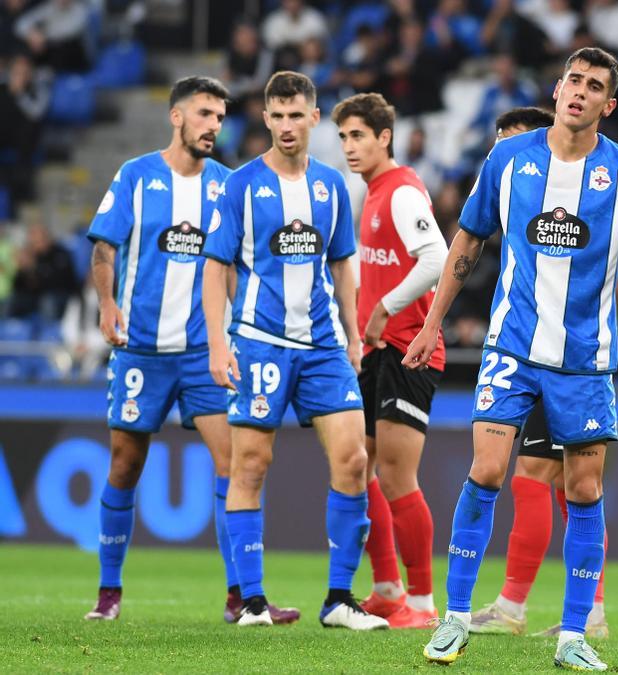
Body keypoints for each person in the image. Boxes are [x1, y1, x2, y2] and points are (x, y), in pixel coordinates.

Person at [405, 48, 618, 672]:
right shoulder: (509, 157)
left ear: (608, 106)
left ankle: (574, 634)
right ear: (558, 89)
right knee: (487, 467)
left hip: (585, 361)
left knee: (584, 488)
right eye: (573, 81)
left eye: (594, 87)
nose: (579, 93)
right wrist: (431, 320)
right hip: (512, 346)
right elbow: (469, 239)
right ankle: (454, 619)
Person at [83, 76, 299, 625]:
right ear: (176, 117)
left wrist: (236, 337)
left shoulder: (228, 185)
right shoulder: (136, 175)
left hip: (206, 353)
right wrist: (107, 306)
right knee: (125, 465)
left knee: (236, 463)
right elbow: (104, 246)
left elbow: (233, 267)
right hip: (142, 350)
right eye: (204, 114)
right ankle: (109, 591)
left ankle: (242, 594)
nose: (214, 126)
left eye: (221, 117)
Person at [200, 71, 385, 630]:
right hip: (258, 342)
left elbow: (343, 265)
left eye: (294, 115)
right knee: (251, 464)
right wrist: (217, 343)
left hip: (325, 346)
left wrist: (354, 335)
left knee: (353, 460)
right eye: (275, 116)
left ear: (313, 117)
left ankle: (339, 600)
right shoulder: (240, 184)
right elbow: (215, 267)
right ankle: (253, 602)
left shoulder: (332, 186)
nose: (285, 125)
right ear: (265, 118)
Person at [469, 106, 610, 640]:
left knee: (553, 479)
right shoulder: (514, 202)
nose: (502, 156)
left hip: (568, 357)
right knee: (554, 481)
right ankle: (579, 608)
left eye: (512, 143)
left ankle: (525, 607)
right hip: (521, 349)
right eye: (496, 144)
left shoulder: (583, 189)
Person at [333, 92, 448, 629]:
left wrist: (383, 308)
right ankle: (385, 588)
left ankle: (422, 605)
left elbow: (437, 260)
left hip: (409, 350)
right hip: (377, 351)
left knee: (399, 476)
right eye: (343, 138)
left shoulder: (401, 192)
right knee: (361, 468)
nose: (349, 147)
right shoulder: (373, 194)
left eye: (358, 136)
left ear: (384, 137)